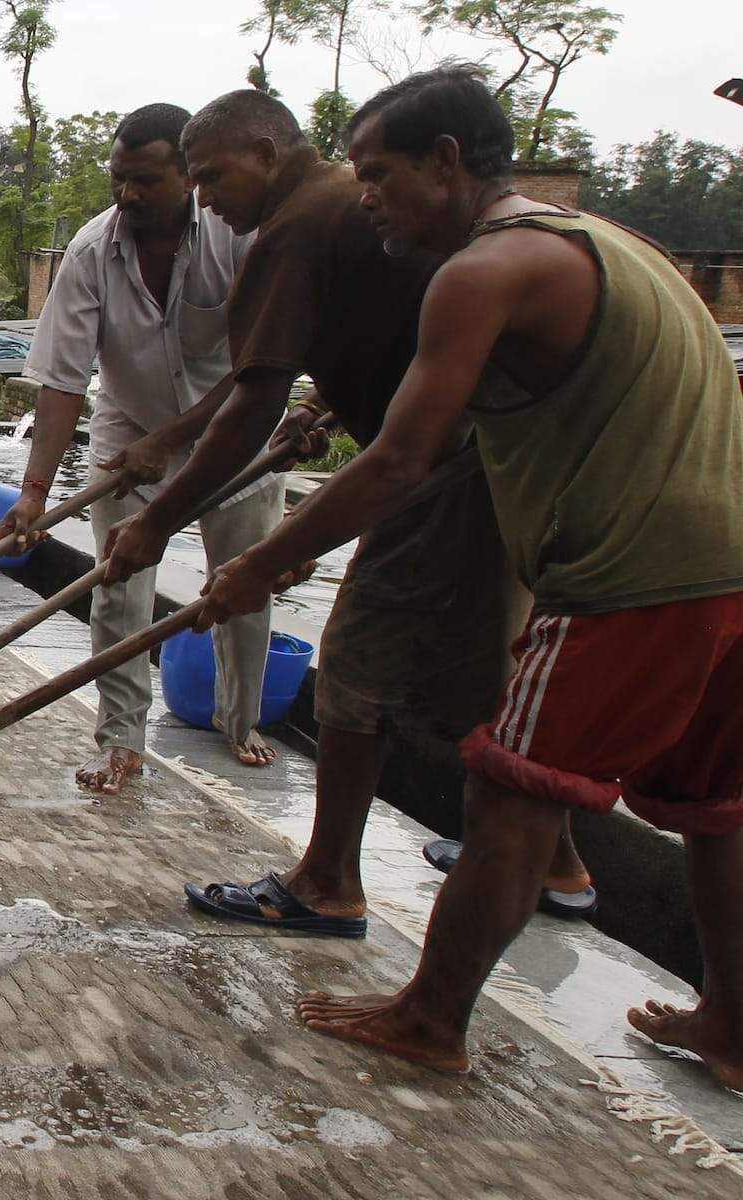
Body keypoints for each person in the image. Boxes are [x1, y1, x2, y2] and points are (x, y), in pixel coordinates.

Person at [194, 68, 743, 1084]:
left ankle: (430, 1019)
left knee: (512, 796)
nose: (366, 198)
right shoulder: (614, 246)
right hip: (726, 577)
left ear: (446, 163)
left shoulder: (482, 270)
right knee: (714, 811)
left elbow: (401, 459)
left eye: (379, 174)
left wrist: (258, 567)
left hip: (630, 579)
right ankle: (734, 1028)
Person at [97, 88, 587, 939]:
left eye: (212, 177)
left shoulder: (293, 229)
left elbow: (245, 407)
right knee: (484, 669)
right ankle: (553, 862)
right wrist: (328, 404)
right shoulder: (334, 213)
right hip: (488, 459)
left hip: (441, 471)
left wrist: (155, 525)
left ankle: (326, 880)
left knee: (355, 670)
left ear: (264, 150)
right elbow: (394, 336)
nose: (208, 198)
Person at [0, 103, 276, 793]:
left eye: (146, 180)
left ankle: (239, 722)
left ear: (189, 178)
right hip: (128, 425)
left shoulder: (236, 237)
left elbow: (258, 369)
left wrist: (173, 440)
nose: (127, 195)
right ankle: (121, 740)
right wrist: (33, 494)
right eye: (119, 179)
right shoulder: (92, 250)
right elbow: (61, 381)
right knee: (119, 583)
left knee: (242, 581)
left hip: (233, 426)